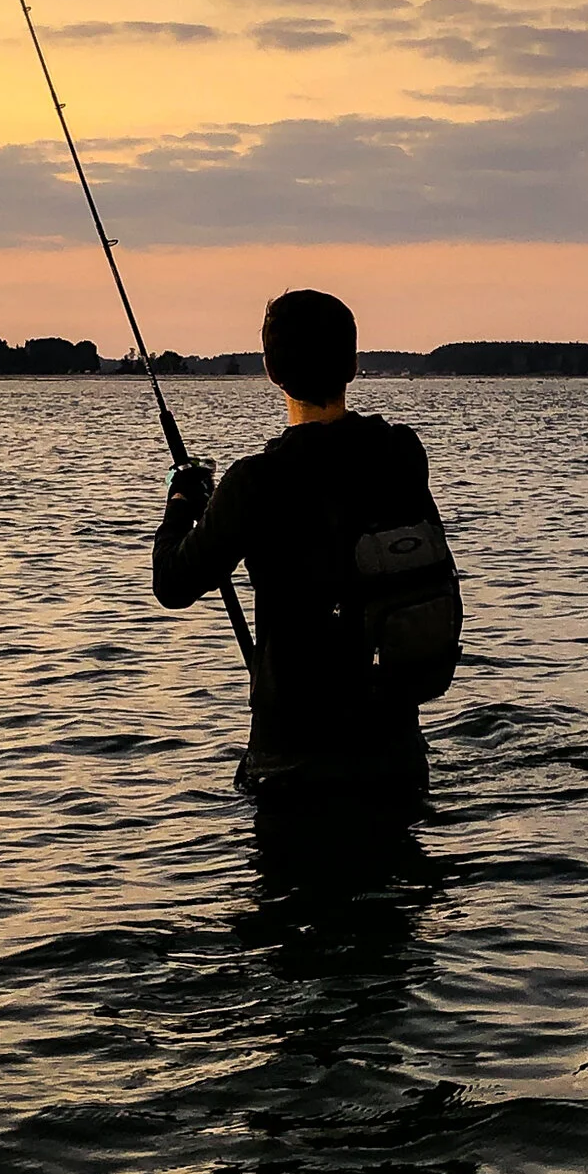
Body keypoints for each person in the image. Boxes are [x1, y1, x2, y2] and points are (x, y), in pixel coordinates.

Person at [153, 289, 452, 801]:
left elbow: (173, 584)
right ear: (354, 364)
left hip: (293, 765)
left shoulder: (256, 482)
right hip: (395, 756)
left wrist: (183, 502)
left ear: (271, 370)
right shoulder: (401, 454)